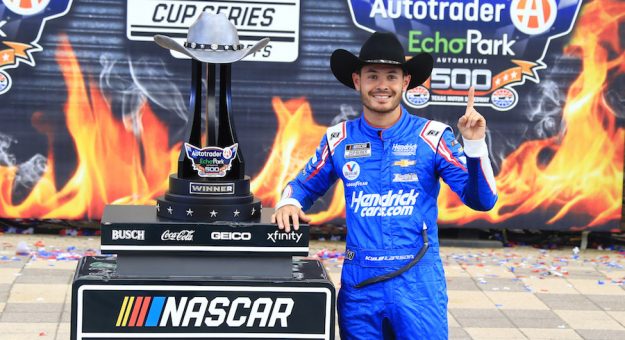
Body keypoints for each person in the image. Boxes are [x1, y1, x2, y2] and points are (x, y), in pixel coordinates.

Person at [271, 32, 497, 339]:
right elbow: (302, 186)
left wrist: (474, 145)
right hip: (360, 287)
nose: (382, 85)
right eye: (372, 76)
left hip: (418, 285)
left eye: (391, 76)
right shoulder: (338, 138)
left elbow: (482, 201)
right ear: (357, 81)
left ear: (405, 83)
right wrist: (289, 202)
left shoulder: (432, 137)